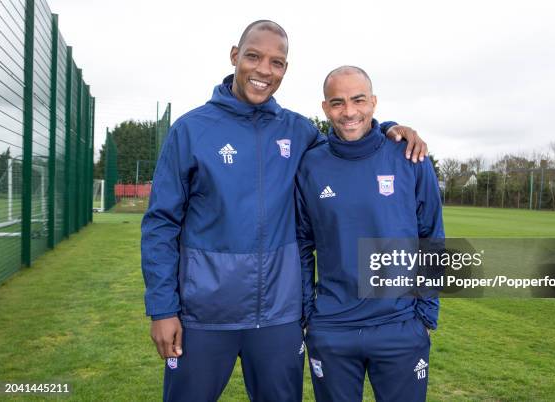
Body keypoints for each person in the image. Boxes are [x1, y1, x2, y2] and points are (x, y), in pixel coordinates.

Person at [141, 21, 428, 402]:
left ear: (284, 70)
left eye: (276, 62)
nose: (263, 70)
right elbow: (161, 222)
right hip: (204, 315)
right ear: (234, 57)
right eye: (254, 56)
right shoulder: (191, 129)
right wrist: (163, 309)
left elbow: (350, 143)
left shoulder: (298, 131)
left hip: (278, 318)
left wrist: (391, 130)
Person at [295, 66, 443, 402]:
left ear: (374, 103)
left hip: (400, 326)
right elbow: (303, 245)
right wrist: (309, 315)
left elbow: (431, 235)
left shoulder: (410, 156)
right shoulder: (310, 165)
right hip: (332, 330)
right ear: (324, 108)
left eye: (358, 100)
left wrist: (425, 314)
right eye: (337, 103)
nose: (349, 112)